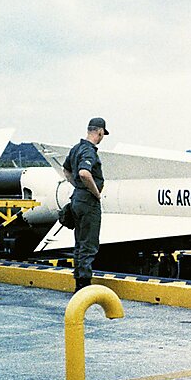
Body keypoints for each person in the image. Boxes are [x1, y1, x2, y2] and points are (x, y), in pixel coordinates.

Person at [63, 117, 108, 291]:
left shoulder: (76, 149)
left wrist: (77, 187)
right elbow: (83, 173)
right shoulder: (89, 151)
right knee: (89, 244)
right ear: (100, 132)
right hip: (88, 202)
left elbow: (66, 170)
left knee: (80, 243)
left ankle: (78, 282)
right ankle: (83, 286)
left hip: (77, 199)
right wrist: (95, 193)